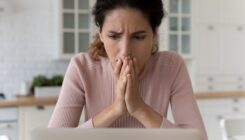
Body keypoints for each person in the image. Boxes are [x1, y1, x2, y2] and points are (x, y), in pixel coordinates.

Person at [48, 0, 208, 140]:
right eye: (114, 36)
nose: (125, 51)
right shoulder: (82, 68)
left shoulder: (171, 66)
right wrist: (115, 109)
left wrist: (139, 108)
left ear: (154, 34)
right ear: (101, 34)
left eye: (138, 37)